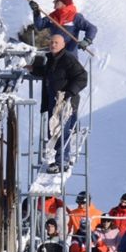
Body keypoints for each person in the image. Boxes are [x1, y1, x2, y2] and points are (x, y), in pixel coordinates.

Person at [38, 33, 89, 173]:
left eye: (56, 43)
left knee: (61, 131)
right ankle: (62, 158)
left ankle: (62, 162)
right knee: (55, 131)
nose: (53, 45)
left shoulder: (67, 59)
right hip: (54, 102)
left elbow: (82, 77)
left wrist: (68, 94)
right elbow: (49, 73)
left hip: (65, 103)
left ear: (63, 45)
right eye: (51, 42)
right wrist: (33, 69)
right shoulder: (52, 59)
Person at [29, 0, 98, 56]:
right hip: (55, 53)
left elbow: (92, 28)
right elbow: (39, 26)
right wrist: (36, 12)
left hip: (69, 55)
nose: (53, 2)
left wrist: (87, 40)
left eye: (56, 0)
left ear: (64, 3)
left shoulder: (75, 17)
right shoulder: (53, 16)